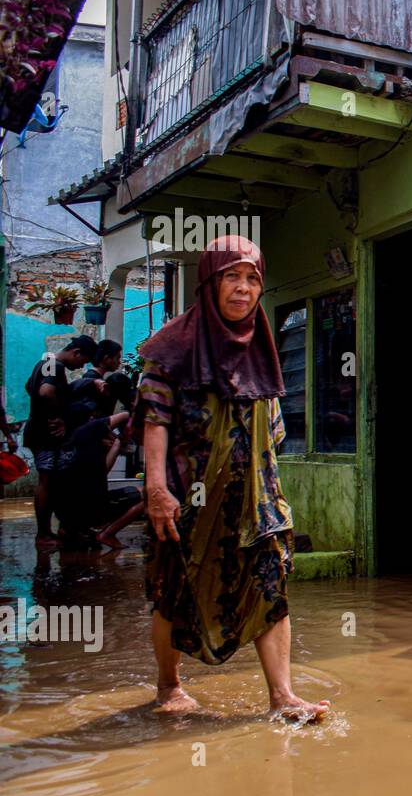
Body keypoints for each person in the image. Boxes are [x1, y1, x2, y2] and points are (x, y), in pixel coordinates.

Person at [136, 235, 328, 722]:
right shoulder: (171, 349)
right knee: (174, 591)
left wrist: (271, 492)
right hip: (187, 500)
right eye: (231, 277)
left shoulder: (261, 347)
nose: (243, 289)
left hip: (256, 504)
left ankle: (283, 697)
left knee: (270, 587)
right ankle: (168, 686)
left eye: (252, 279)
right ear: (210, 281)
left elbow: (275, 426)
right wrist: (156, 490)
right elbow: (154, 423)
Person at [50, 382, 143, 550]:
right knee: (147, 498)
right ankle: (108, 533)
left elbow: (101, 472)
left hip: (65, 512)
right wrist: (131, 428)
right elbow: (125, 415)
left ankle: (73, 530)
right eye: (92, 416)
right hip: (90, 509)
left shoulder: (68, 443)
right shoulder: (88, 430)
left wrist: (116, 445)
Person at [24, 335, 97, 546]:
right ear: (76, 352)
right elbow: (46, 392)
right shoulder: (55, 366)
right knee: (47, 482)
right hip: (46, 434)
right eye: (81, 362)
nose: (79, 367)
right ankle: (44, 533)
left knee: (49, 481)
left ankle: (47, 531)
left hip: (36, 430)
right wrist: (57, 417)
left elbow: (30, 388)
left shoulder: (45, 362)